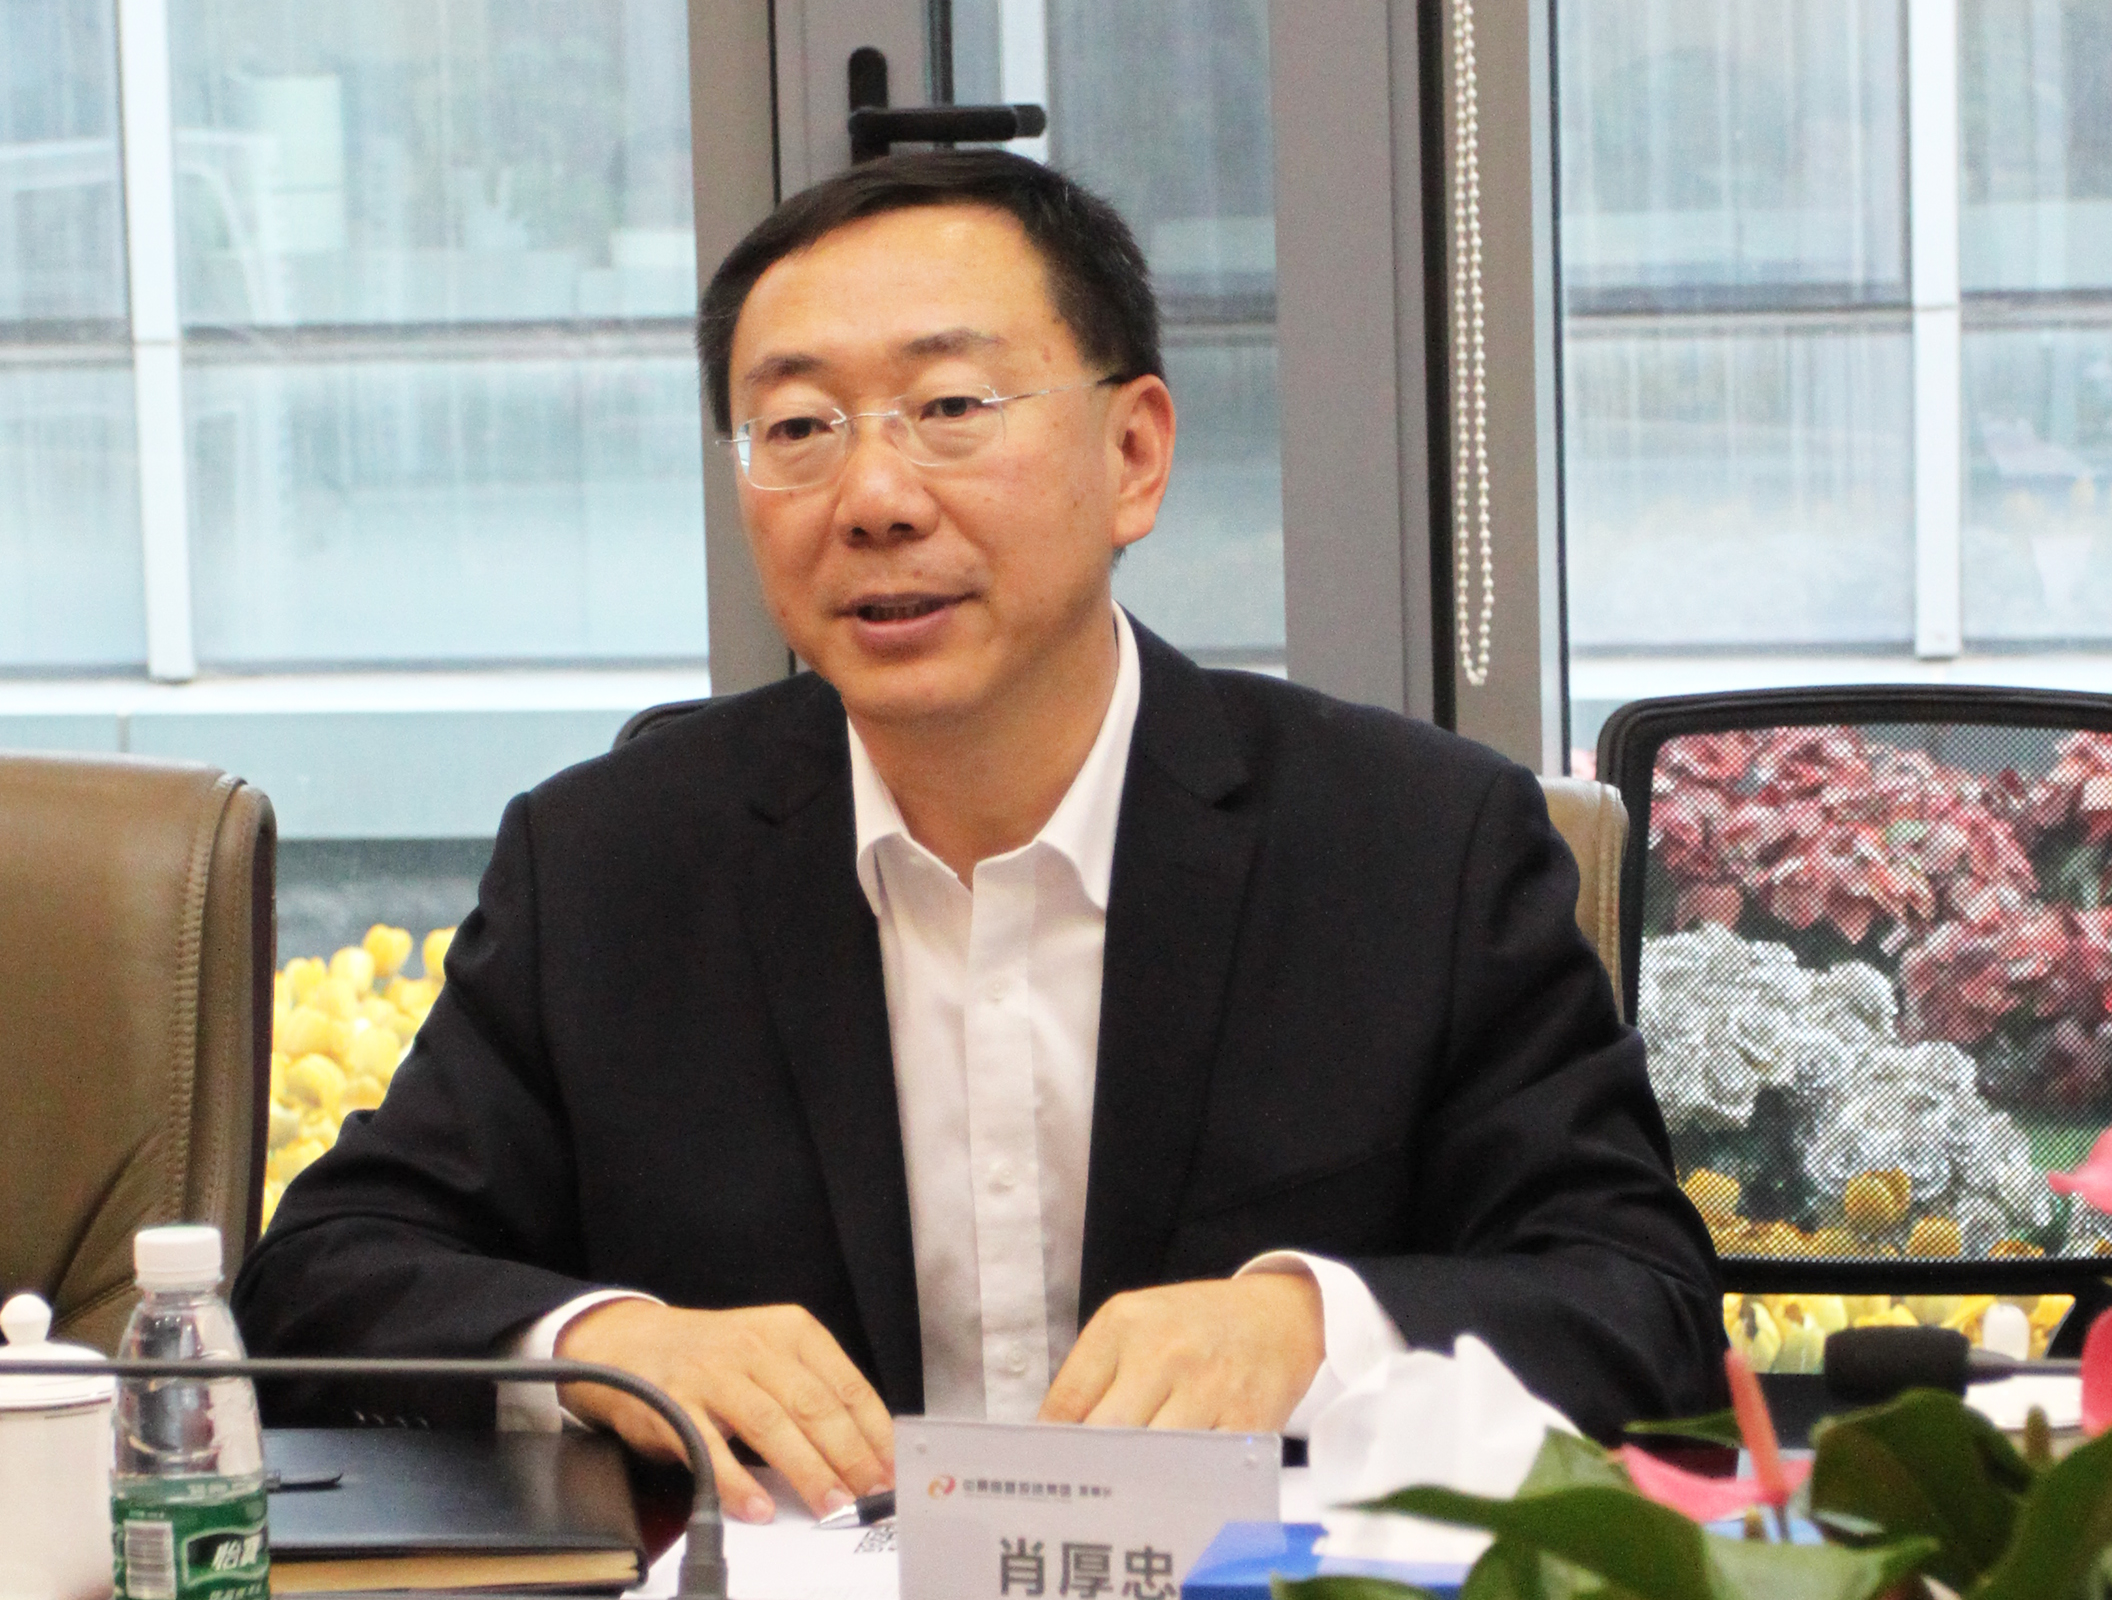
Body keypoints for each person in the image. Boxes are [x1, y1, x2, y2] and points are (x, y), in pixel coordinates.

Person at [234, 151, 1723, 1521]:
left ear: (1134, 455)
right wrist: (611, 1344)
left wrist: (1303, 1328)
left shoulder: (1411, 845)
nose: (874, 498)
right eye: (798, 429)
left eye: (950, 409)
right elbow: (323, 1278)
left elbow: (1638, 1304)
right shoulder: (611, 866)